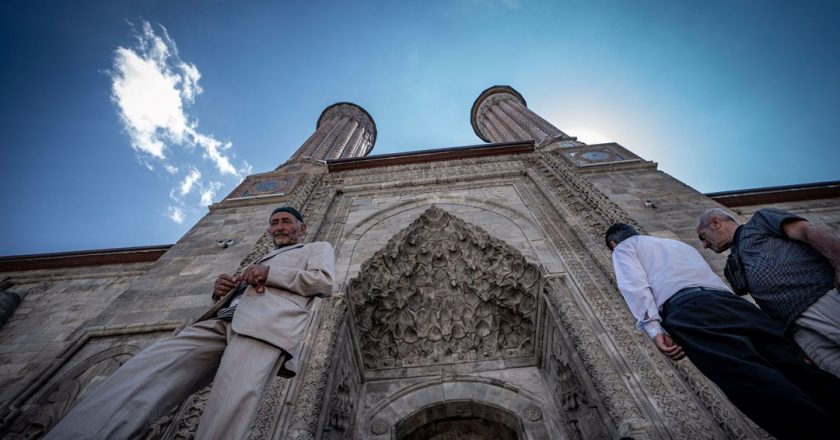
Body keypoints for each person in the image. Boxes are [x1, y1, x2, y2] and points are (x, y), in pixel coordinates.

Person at [44, 207, 335, 440]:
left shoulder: (315, 248)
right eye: (274, 223)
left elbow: (323, 282)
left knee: (229, 405)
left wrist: (269, 273)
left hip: (264, 328)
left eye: (286, 221)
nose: (280, 227)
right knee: (146, 370)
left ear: (301, 228)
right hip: (218, 322)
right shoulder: (265, 254)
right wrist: (221, 291)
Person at [606, 223, 840, 439]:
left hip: (691, 310)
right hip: (735, 306)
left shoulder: (624, 249)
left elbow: (634, 285)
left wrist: (653, 329)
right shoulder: (677, 244)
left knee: (750, 381)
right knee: (798, 368)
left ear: (614, 244)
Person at [696, 207, 840, 378]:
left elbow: (807, 231)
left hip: (821, 299)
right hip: (796, 330)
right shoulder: (732, 265)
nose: (705, 245)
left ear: (716, 223)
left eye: (703, 237)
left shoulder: (760, 221)